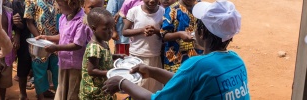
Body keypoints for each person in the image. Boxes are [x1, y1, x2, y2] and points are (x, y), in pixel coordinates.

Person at [103, 1, 250, 100]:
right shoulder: (237, 61)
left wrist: (123, 83)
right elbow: (188, 80)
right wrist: (151, 71)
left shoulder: (197, 65)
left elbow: (158, 98)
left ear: (202, 33)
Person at [36, 0, 92, 99]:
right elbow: (62, 35)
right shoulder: (63, 17)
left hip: (75, 65)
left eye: (61, 5)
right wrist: (47, 37)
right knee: (62, 89)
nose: (58, 8)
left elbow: (77, 44)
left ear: (73, 5)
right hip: (63, 62)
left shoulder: (82, 21)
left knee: (72, 92)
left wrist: (56, 48)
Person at [78, 7, 125, 100]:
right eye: (106, 29)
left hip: (101, 90)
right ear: (94, 28)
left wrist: (116, 56)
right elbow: (91, 70)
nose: (110, 32)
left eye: (111, 28)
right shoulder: (94, 47)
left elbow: (103, 57)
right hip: (93, 93)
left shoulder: (104, 42)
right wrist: (111, 73)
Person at [122, 0, 164, 93]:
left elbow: (165, 33)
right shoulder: (134, 11)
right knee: (138, 86)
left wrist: (156, 31)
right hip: (137, 56)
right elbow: (125, 31)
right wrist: (141, 30)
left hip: (154, 55)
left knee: (154, 87)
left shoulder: (163, 12)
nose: (152, 1)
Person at [24, 0, 58, 99]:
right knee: (39, 71)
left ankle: (58, 95)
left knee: (57, 70)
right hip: (39, 43)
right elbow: (29, 23)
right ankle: (40, 96)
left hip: (57, 43)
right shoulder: (30, 1)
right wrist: (41, 41)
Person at [160, 0, 203, 73]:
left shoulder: (200, 6)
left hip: (198, 56)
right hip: (176, 59)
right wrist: (179, 34)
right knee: (178, 82)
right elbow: (164, 35)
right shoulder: (172, 10)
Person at [11, 0, 34, 99]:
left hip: (41, 33)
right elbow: (18, 22)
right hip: (24, 36)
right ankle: (22, 93)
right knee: (23, 63)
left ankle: (43, 90)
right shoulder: (17, 2)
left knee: (41, 64)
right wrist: (17, 34)